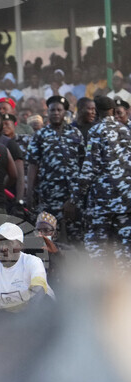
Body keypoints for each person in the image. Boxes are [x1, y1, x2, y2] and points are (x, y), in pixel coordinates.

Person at [75, 96, 131, 264]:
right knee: (125, 250)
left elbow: (90, 167)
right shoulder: (126, 130)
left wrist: (75, 198)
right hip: (126, 200)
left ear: (97, 111)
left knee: (98, 248)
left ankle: (102, 286)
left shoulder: (96, 130)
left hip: (103, 202)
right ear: (113, 110)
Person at [26, 95, 85, 242]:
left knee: (76, 237)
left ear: (65, 112)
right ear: (48, 112)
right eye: (52, 110)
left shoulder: (75, 133)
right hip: (49, 195)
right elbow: (33, 164)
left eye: (59, 110)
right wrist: (29, 191)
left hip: (73, 195)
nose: (56, 113)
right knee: (49, 237)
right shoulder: (40, 135)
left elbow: (84, 162)